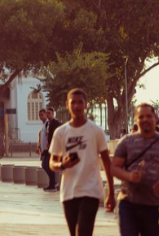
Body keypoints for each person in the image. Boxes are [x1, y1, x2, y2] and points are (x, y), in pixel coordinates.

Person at [50, 88, 115, 236]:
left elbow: (106, 162)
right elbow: (52, 162)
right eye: (73, 102)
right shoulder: (60, 132)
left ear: (86, 104)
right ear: (67, 105)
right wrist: (62, 164)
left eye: (80, 102)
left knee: (83, 232)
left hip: (90, 191)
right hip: (69, 192)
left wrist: (111, 192)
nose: (77, 106)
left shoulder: (95, 131)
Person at [111, 104, 159, 236]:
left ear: (155, 118)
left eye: (149, 116)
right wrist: (129, 176)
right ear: (135, 119)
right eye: (141, 117)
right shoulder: (126, 142)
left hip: (154, 205)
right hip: (128, 204)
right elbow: (114, 168)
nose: (145, 119)